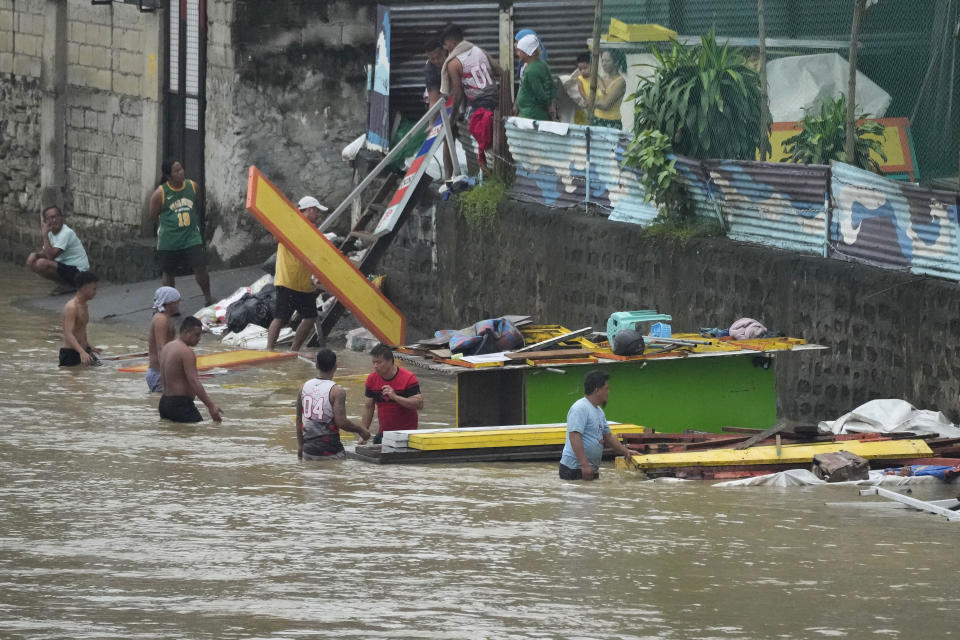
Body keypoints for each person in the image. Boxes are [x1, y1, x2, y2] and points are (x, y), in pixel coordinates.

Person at [265, 196, 328, 352]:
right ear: (309, 209)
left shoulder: (312, 230)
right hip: (288, 279)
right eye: (317, 212)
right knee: (281, 317)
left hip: (304, 283)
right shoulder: (291, 224)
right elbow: (276, 236)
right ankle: (269, 350)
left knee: (309, 317)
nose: (318, 215)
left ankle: (293, 350)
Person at [148, 159, 213, 306]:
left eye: (181, 169)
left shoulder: (192, 186)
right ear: (169, 175)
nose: (181, 172)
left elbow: (197, 204)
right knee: (169, 273)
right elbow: (152, 216)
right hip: (169, 240)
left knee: (200, 266)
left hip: (191, 237)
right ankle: (171, 304)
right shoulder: (160, 193)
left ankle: (208, 297)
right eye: (176, 171)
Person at [440, 23, 502, 170]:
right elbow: (500, 71)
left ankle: (481, 173)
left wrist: (452, 117)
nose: (445, 48)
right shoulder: (480, 51)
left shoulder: (453, 63)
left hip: (478, 107)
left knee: (476, 144)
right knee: (496, 141)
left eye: (446, 45)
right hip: (495, 103)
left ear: (452, 43)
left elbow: (458, 93)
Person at [297, 349, 372, 460]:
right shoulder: (337, 391)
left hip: (309, 450)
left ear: (316, 365)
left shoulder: (303, 387)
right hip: (331, 451)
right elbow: (342, 422)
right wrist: (361, 430)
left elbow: (299, 419)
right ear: (336, 366)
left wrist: (300, 446)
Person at [558, 370, 633, 481]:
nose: (608, 392)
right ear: (597, 390)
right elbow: (574, 436)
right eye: (606, 389)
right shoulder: (580, 408)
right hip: (574, 469)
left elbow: (608, 437)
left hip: (588, 469)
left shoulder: (599, 412)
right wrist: (585, 465)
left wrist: (626, 452)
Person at [158, 316, 223, 423]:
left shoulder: (167, 347)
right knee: (199, 437)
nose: (199, 338)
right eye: (197, 335)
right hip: (180, 405)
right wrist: (211, 406)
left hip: (164, 403)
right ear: (187, 332)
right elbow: (194, 381)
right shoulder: (186, 352)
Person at [361, 343, 423, 445]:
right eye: (374, 362)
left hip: (407, 434)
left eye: (379, 362)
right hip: (384, 433)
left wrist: (395, 397)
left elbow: (419, 404)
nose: (375, 366)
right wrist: (363, 432)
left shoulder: (408, 378)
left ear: (390, 361)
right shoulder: (371, 379)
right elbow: (368, 407)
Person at [26, 205, 91, 295]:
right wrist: (35, 255)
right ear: (45, 222)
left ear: (62, 218)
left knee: (42, 263)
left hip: (80, 273)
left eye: (57, 216)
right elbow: (45, 252)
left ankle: (72, 284)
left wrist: (44, 235)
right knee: (33, 262)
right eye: (51, 218)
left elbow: (50, 256)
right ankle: (67, 284)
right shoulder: (51, 233)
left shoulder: (66, 233)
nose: (54, 220)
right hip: (67, 269)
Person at [59, 271, 101, 367]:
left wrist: (89, 347)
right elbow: (68, 334)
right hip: (70, 353)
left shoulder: (84, 305)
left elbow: (81, 329)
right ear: (84, 288)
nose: (96, 292)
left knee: (98, 369)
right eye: (94, 289)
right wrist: (82, 352)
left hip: (83, 351)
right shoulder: (72, 307)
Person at [514, 33, 557, 121]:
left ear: (528, 53)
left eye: (520, 51)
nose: (517, 53)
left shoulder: (531, 71)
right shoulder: (542, 64)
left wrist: (548, 106)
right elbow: (552, 86)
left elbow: (541, 96)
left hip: (531, 115)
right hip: (534, 113)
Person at [146, 286, 181, 392]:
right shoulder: (161, 319)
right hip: (159, 373)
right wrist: (167, 374)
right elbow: (161, 348)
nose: (179, 304)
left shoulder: (165, 318)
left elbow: (170, 344)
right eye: (177, 301)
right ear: (170, 302)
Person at [581, 50, 627, 129]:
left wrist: (591, 102)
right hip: (596, 119)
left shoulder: (620, 82)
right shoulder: (602, 79)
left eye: (607, 61)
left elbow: (606, 105)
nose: (603, 64)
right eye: (602, 61)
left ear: (616, 62)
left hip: (611, 122)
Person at [424, 37, 445, 107]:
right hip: (443, 97)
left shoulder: (454, 60)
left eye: (439, 56)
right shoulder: (430, 69)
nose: (436, 61)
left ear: (444, 51)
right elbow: (433, 100)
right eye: (432, 59)